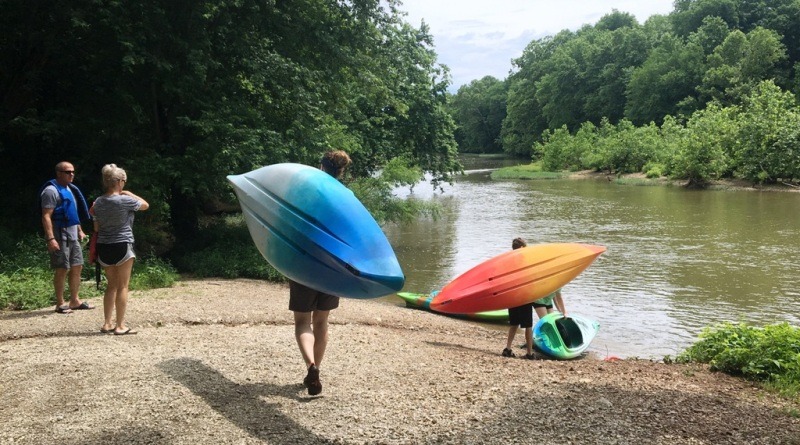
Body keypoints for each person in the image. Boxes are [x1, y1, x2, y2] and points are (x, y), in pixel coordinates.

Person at [290, 150, 352, 396]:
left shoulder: (308, 192)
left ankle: (311, 366)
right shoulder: (347, 197)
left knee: (303, 322)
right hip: (332, 268)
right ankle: (317, 369)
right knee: (322, 322)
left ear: (321, 166)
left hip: (305, 264)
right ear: (342, 170)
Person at [91, 164, 149, 335]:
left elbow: (96, 227)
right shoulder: (125, 200)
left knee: (111, 286)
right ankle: (120, 325)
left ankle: (107, 323)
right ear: (119, 182)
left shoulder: (98, 202)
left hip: (104, 245)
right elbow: (145, 205)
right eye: (124, 182)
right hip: (122, 244)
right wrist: (130, 193)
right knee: (123, 286)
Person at [40, 161, 93, 314]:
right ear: (58, 173)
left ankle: (75, 300)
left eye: (72, 172)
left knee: (77, 266)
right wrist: (50, 239)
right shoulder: (51, 191)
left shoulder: (69, 189)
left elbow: (71, 213)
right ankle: (60, 303)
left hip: (72, 233)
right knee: (63, 268)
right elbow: (46, 216)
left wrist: (80, 230)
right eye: (67, 172)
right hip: (59, 233)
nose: (71, 174)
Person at [502, 237, 536, 360]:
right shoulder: (525, 260)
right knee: (528, 325)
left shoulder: (508, 261)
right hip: (524, 296)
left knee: (514, 324)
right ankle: (529, 353)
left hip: (512, 296)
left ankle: (508, 348)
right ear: (522, 248)